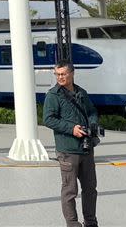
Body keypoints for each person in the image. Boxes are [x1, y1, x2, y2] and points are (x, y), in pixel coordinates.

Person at [43, 61, 99, 227]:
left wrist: (93, 124)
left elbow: (92, 111)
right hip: (67, 150)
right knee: (70, 191)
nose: (60, 77)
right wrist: (71, 129)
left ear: (72, 73)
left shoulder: (82, 92)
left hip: (86, 148)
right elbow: (48, 119)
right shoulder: (53, 95)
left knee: (90, 189)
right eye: (57, 74)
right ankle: (73, 224)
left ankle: (91, 223)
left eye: (63, 74)